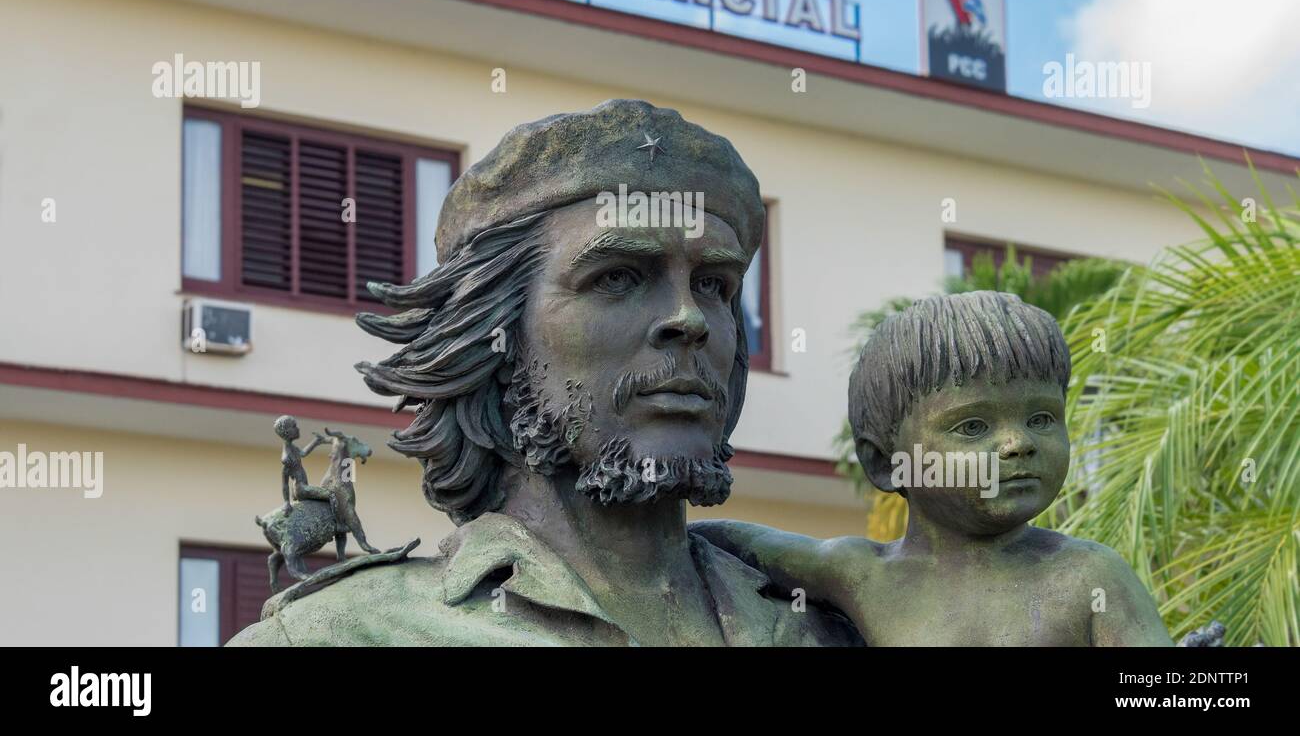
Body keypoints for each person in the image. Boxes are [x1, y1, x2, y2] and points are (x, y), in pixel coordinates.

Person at [230, 99, 860, 646]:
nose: (688, 318)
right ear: (495, 334)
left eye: (715, 285)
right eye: (616, 277)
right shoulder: (345, 639)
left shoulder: (827, 628)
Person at [694, 292, 1173, 646]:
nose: (1018, 444)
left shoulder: (1090, 576)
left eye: (1041, 419)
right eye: (972, 426)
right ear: (886, 463)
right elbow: (720, 541)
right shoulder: (859, 574)